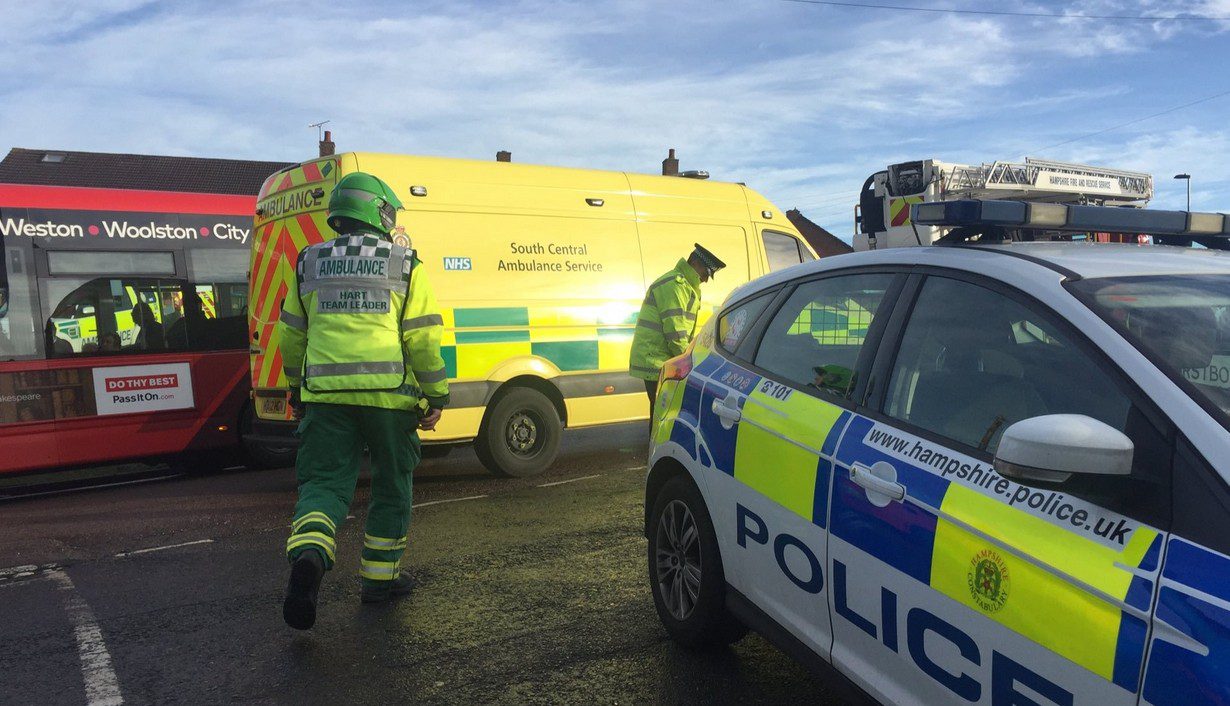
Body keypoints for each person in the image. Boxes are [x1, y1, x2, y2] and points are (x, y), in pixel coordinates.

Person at [277, 172, 449, 631]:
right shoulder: (405, 263)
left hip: (326, 400)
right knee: (392, 485)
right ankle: (378, 580)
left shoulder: (307, 262)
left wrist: (297, 388)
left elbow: (291, 335)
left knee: (324, 486)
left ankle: (310, 556)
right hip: (388, 399)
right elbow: (424, 338)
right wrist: (435, 395)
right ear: (379, 211)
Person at [630, 244, 726, 411]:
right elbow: (676, 333)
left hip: (660, 359)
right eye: (706, 273)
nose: (706, 279)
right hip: (656, 360)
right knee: (663, 412)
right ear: (695, 263)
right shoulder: (675, 285)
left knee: (660, 411)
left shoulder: (685, 286)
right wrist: (689, 363)